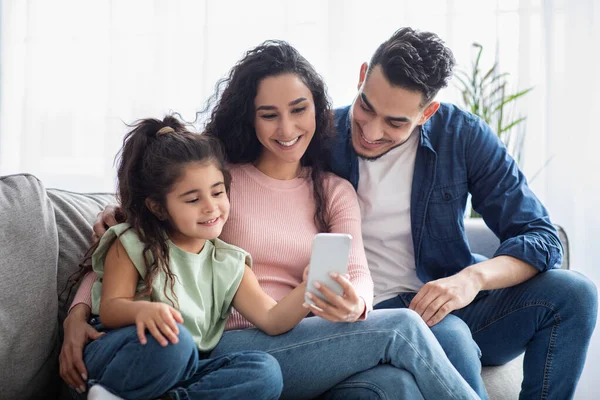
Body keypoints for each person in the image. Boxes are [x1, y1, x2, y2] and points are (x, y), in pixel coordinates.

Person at [61, 41, 481, 400]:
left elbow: (358, 274)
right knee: (402, 328)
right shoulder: (219, 182)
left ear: (317, 108)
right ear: (250, 117)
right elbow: (137, 233)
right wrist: (78, 313)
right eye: (269, 114)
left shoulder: (334, 190)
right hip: (220, 341)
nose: (287, 128)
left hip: (300, 335)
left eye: (299, 109)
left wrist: (357, 303)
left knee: (395, 385)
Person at [329, 27, 598, 399]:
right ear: (362, 77)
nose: (371, 131)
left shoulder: (462, 135)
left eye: (395, 122)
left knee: (576, 293)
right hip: (375, 316)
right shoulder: (318, 138)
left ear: (427, 112)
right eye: (366, 107)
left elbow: (541, 236)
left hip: (451, 298)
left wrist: (470, 280)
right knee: (451, 337)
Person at [77, 116, 295, 400]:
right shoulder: (132, 242)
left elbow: (272, 318)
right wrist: (142, 311)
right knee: (175, 342)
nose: (210, 207)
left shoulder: (230, 263)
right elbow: (110, 309)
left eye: (218, 192)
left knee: (265, 371)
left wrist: (311, 288)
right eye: (193, 200)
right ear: (158, 207)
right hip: (121, 356)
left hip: (183, 371)